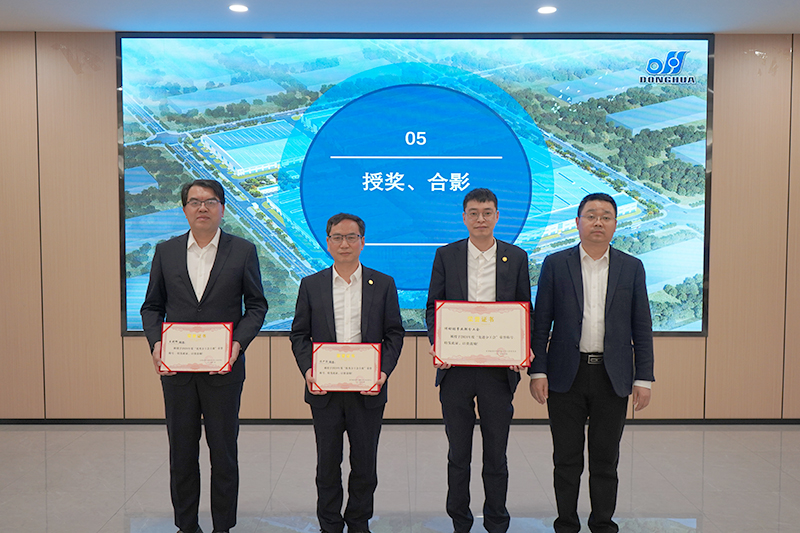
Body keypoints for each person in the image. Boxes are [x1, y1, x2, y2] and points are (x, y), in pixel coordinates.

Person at [141, 179, 268, 533]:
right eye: (194, 201)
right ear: (184, 209)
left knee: (223, 453)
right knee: (182, 453)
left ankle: (223, 526)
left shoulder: (242, 250)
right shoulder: (166, 251)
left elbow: (256, 306)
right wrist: (156, 344)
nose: (202, 208)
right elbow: (151, 307)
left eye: (210, 201)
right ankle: (187, 526)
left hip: (224, 370)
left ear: (222, 208)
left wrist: (237, 343)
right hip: (177, 371)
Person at [529, 192, 654, 533]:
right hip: (565, 375)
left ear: (614, 224)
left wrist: (644, 377)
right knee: (566, 459)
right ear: (577, 222)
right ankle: (566, 524)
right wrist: (537, 370)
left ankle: (603, 524)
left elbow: (642, 326)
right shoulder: (556, 264)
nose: (598, 222)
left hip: (613, 377)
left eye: (605, 216)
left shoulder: (631, 267)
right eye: (591, 215)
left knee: (605, 459)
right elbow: (541, 323)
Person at [425, 188, 533, 533]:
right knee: (458, 454)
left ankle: (497, 520)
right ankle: (460, 520)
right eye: (474, 213)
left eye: (487, 213)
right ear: (464, 217)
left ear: (497, 216)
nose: (481, 219)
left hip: (498, 372)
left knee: (496, 454)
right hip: (455, 369)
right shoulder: (447, 255)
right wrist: (438, 344)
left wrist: (521, 347)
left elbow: (524, 309)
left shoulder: (516, 257)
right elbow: (433, 308)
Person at [290, 213, 404, 533]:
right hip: (324, 390)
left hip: (368, 389)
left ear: (362, 242)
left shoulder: (383, 284)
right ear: (327, 243)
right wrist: (308, 370)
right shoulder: (311, 285)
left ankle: (358, 522)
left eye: (351, 237)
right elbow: (299, 335)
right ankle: (329, 523)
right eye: (337, 237)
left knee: (364, 464)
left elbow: (394, 334)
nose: (344, 243)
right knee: (327, 464)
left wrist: (383, 372)